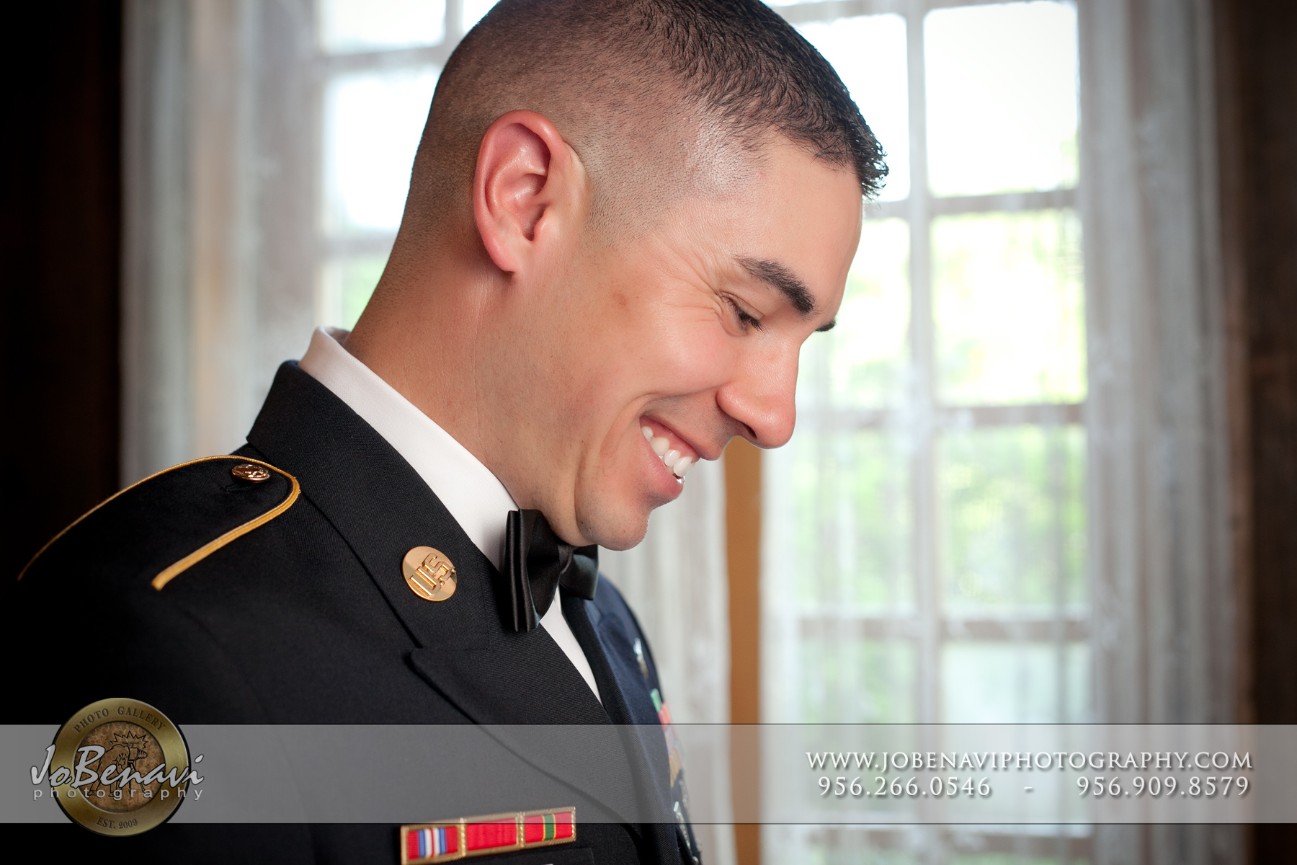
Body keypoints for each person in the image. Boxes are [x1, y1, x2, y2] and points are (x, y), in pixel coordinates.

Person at [7, 0, 885, 862]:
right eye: (742, 310)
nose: (776, 418)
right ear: (522, 197)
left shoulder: (594, 613)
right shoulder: (148, 638)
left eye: (802, 343)